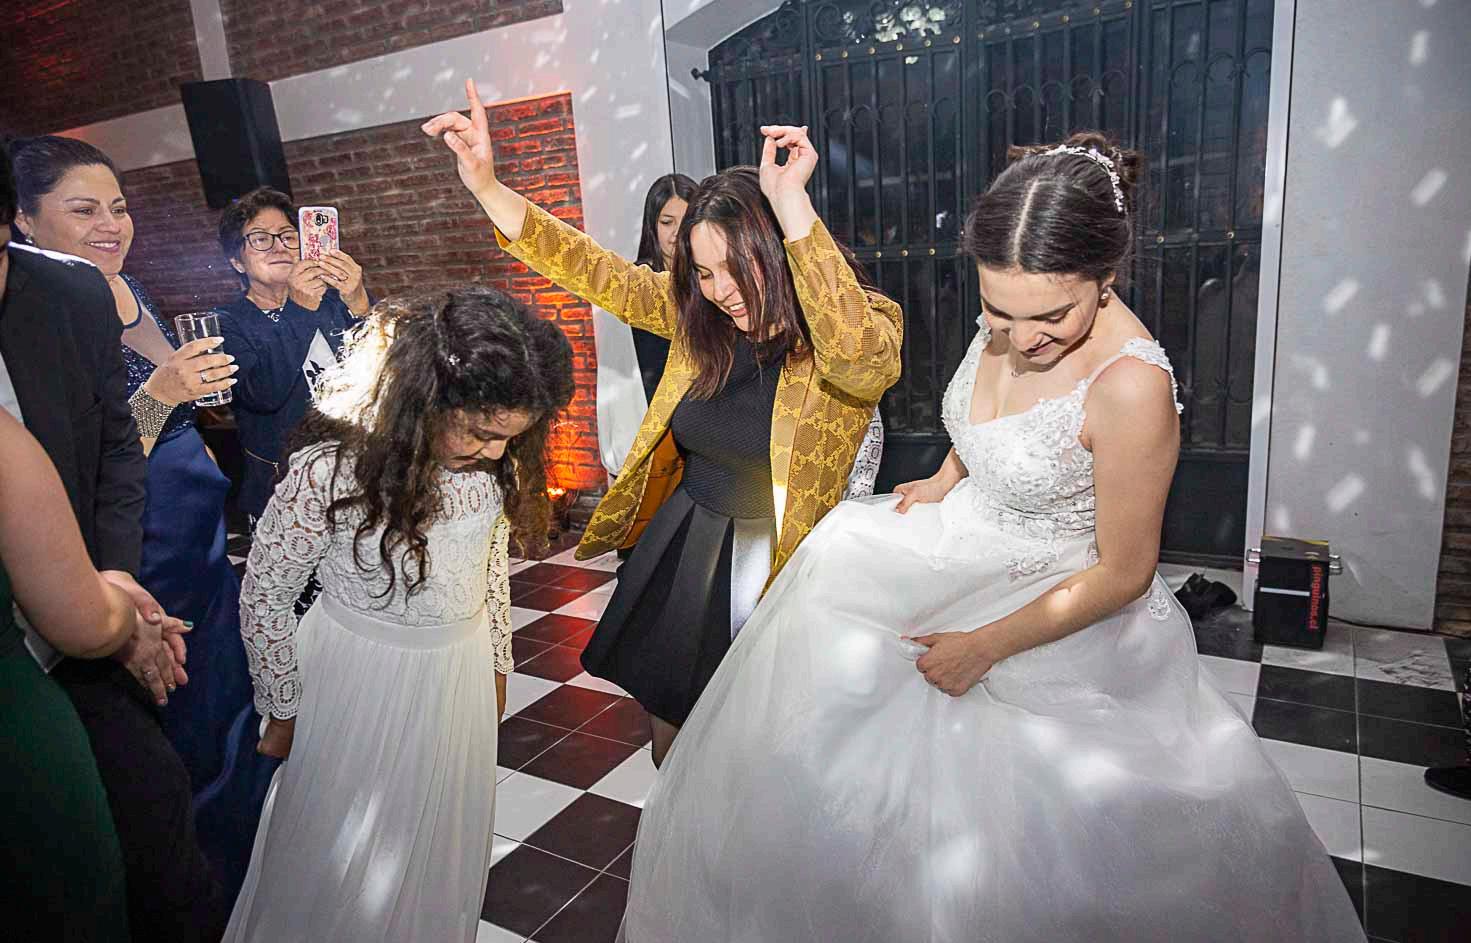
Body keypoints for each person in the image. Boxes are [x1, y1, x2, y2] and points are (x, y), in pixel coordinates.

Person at [618, 134, 1366, 941]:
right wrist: (949, 473)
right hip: (960, 537)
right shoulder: (1009, 315)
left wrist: (983, 646)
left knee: (1015, 840)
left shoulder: (1131, 387)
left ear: (1106, 275)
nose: (1021, 336)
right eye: (997, 313)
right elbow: (985, 420)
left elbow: (1123, 571)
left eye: (1050, 316)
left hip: (1057, 599)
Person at [425, 80, 903, 766]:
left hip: (787, 565)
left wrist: (791, 203)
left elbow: (861, 362)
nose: (720, 291)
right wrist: (488, 187)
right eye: (704, 273)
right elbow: (596, 270)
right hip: (691, 543)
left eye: (734, 269)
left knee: (760, 751)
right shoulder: (697, 320)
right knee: (670, 739)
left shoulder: (855, 327)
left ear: (778, 252)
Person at [224, 286, 574, 941]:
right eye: (482, 433)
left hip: (457, 677)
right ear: (423, 402)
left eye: (511, 438)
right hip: (355, 678)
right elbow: (265, 594)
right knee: (340, 846)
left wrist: (499, 664)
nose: (496, 453)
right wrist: (283, 706)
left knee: (434, 840)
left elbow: (489, 576)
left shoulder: (489, 472)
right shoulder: (331, 471)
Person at [9, 134, 274, 901]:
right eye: (83, 209)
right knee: (176, 725)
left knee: (231, 699)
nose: (110, 224)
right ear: (23, 220)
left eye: (118, 207)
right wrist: (160, 395)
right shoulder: (40, 317)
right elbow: (77, 464)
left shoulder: (127, 286)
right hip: (136, 542)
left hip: (198, 529)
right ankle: (205, 888)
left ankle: (257, 869)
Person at [214, 186, 370, 531]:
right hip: (284, 488)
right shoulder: (227, 322)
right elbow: (262, 394)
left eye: (288, 235)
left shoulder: (333, 303)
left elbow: (381, 372)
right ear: (236, 261)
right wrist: (299, 308)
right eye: (260, 239)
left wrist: (359, 302)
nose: (279, 246)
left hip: (357, 473)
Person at [630, 173, 696, 402]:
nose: (677, 232)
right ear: (653, 225)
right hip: (665, 403)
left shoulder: (712, 274)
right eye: (667, 222)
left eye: (686, 221)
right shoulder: (641, 281)